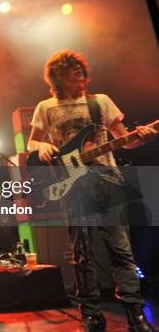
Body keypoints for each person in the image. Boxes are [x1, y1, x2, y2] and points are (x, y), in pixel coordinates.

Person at [27, 49, 157, 332]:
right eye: (71, 67)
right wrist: (44, 146)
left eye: (80, 66)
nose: (78, 70)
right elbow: (31, 143)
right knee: (82, 252)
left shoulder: (101, 102)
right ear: (58, 76)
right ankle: (92, 316)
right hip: (74, 187)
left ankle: (135, 314)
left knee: (121, 251)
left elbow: (126, 140)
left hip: (109, 181)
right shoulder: (45, 107)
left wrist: (142, 138)